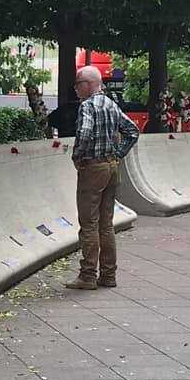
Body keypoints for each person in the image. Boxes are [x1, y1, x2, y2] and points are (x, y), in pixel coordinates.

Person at [68, 64, 139, 291]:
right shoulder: (111, 104)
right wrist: (118, 154)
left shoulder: (87, 106)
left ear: (88, 84)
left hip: (93, 168)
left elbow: (85, 132)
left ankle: (87, 275)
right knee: (106, 223)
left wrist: (78, 156)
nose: (76, 89)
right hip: (111, 166)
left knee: (89, 223)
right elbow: (132, 131)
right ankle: (108, 275)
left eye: (78, 84)